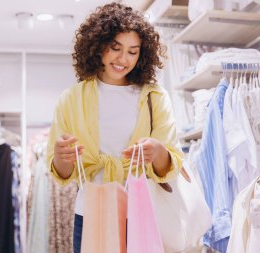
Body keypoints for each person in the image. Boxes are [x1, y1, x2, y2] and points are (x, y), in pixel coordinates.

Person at [47, 2, 184, 253]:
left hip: (141, 211)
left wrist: (157, 152)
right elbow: (61, 172)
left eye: (133, 51)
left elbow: (170, 163)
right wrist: (60, 157)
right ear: (98, 47)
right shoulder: (71, 98)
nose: (123, 59)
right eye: (115, 48)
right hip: (90, 212)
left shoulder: (155, 97)